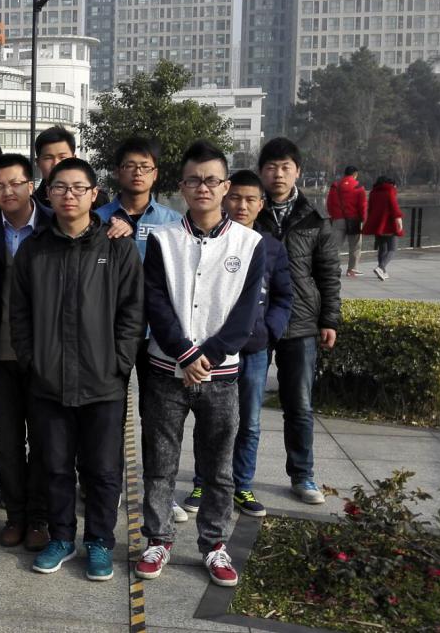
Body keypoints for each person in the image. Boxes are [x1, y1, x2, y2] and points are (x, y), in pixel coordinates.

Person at [135, 141, 266, 588]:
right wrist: (185, 353)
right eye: (194, 180)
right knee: (160, 461)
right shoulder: (163, 239)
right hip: (165, 370)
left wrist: (207, 356)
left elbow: (246, 314)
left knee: (218, 467)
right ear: (182, 186)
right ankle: (158, 539)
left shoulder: (250, 243)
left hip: (221, 375)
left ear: (226, 186)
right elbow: (155, 301)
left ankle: (214, 543)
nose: (203, 187)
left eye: (212, 180)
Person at [13, 157, 145, 582]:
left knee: (103, 470)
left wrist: (119, 361)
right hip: (47, 379)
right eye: (59, 188)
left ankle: (100, 541)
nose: (68, 195)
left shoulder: (117, 245)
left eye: (78, 188)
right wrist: (31, 360)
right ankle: (61, 537)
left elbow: (132, 311)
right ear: (47, 193)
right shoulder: (34, 248)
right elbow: (19, 312)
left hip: (103, 380)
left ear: (94, 194)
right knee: (54, 466)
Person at [183, 170, 293, 519]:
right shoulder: (210, 243)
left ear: (261, 205)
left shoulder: (270, 247)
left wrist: (270, 331)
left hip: (254, 350)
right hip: (214, 350)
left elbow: (283, 296)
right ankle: (202, 482)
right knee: (209, 422)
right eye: (236, 197)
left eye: (250, 200)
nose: (241, 206)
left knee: (250, 422)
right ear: (225, 196)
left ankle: (242, 485)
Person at [94, 135, 188, 521]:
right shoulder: (97, 219)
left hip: (157, 334)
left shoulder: (171, 222)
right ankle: (108, 486)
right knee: (110, 414)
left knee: (159, 418)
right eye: (130, 166)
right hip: (110, 331)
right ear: (118, 172)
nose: (137, 173)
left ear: (156, 174)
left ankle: (160, 491)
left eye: (145, 167)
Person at [0, 153, 53, 551]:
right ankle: (15, 515)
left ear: (31, 185)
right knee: (6, 442)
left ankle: (38, 517)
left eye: (15, 183)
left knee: (43, 440)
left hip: (44, 353)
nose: (7, 191)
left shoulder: (55, 223)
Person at [257, 137, 341, 506]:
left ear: (297, 172)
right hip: (256, 321)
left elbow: (328, 274)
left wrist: (329, 319)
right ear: (261, 172)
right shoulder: (248, 210)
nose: (278, 174)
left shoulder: (314, 220)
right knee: (244, 406)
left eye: (285, 167)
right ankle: (235, 478)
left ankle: (302, 475)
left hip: (301, 322)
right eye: (271, 167)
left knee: (300, 405)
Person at [31, 125, 108, 211]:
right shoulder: (32, 204)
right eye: (48, 158)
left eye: (62, 157)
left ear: (74, 159)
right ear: (37, 162)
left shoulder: (97, 199)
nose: (56, 164)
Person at [326, 165, 367, 277]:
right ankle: (352, 269)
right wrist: (363, 219)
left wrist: (333, 216)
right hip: (354, 220)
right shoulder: (359, 187)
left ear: (344, 174)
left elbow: (329, 203)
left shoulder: (335, 186)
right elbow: (362, 205)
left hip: (338, 219)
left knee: (335, 246)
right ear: (355, 174)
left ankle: (332, 270)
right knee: (355, 246)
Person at [363, 176, 404, 281]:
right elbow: (394, 207)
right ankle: (381, 267)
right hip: (389, 224)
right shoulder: (390, 191)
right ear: (391, 184)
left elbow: (370, 209)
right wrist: (399, 219)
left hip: (377, 224)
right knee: (392, 249)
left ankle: (382, 272)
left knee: (382, 249)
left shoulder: (373, 193)